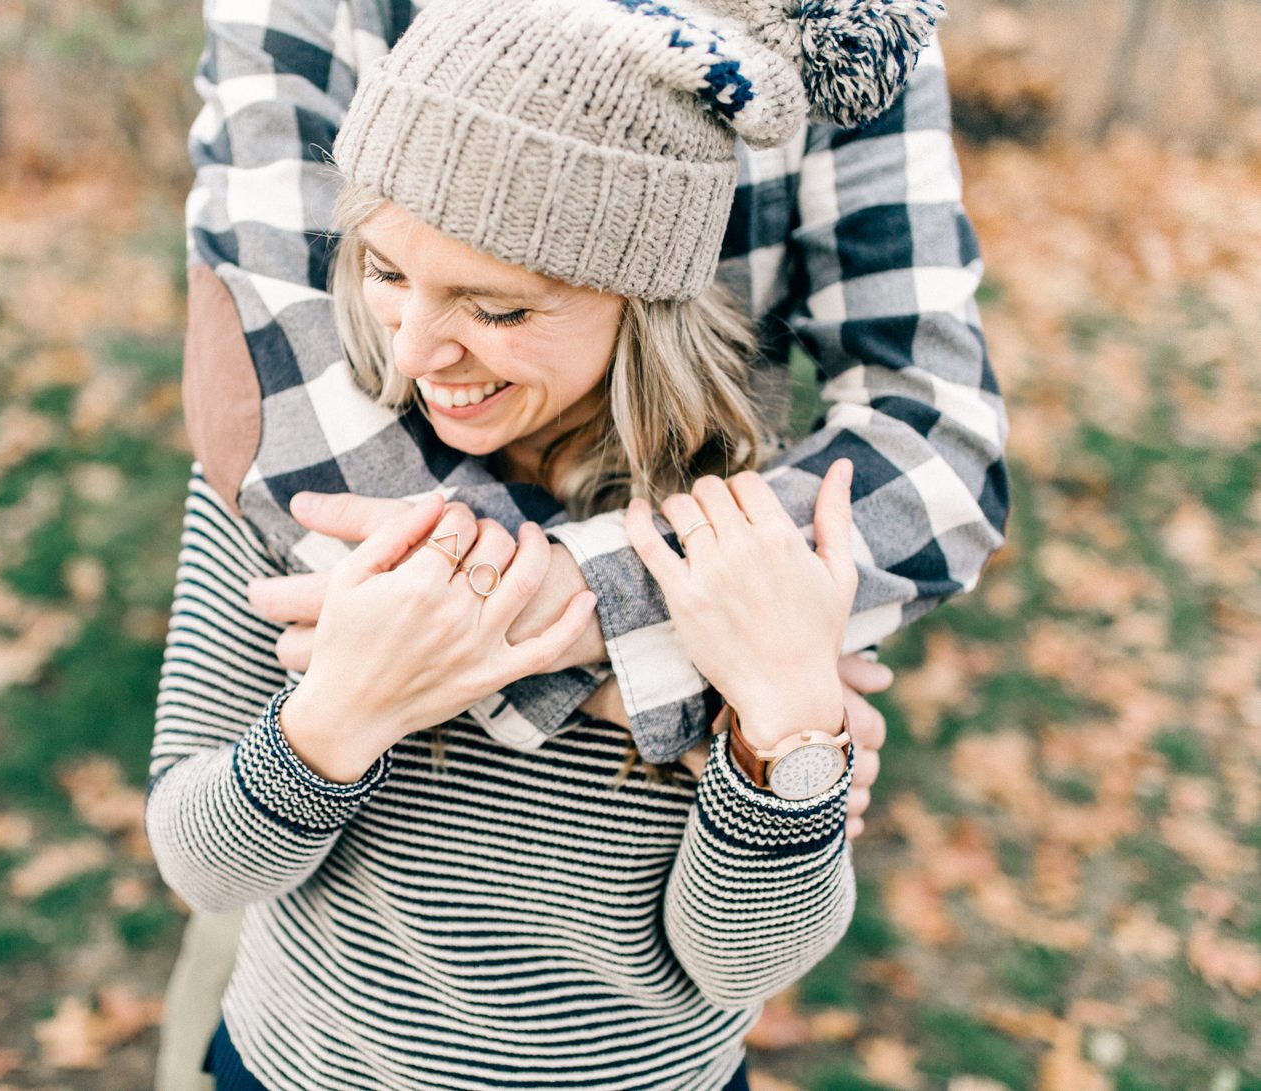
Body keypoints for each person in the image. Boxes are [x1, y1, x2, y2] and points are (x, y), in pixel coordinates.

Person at [148, 1, 966, 1086]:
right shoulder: (295, 511)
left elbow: (741, 961)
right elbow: (203, 865)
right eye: (386, 273)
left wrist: (785, 733)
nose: (414, 351)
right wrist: (341, 715)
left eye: (495, 307)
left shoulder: (734, 557)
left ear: (642, 303)